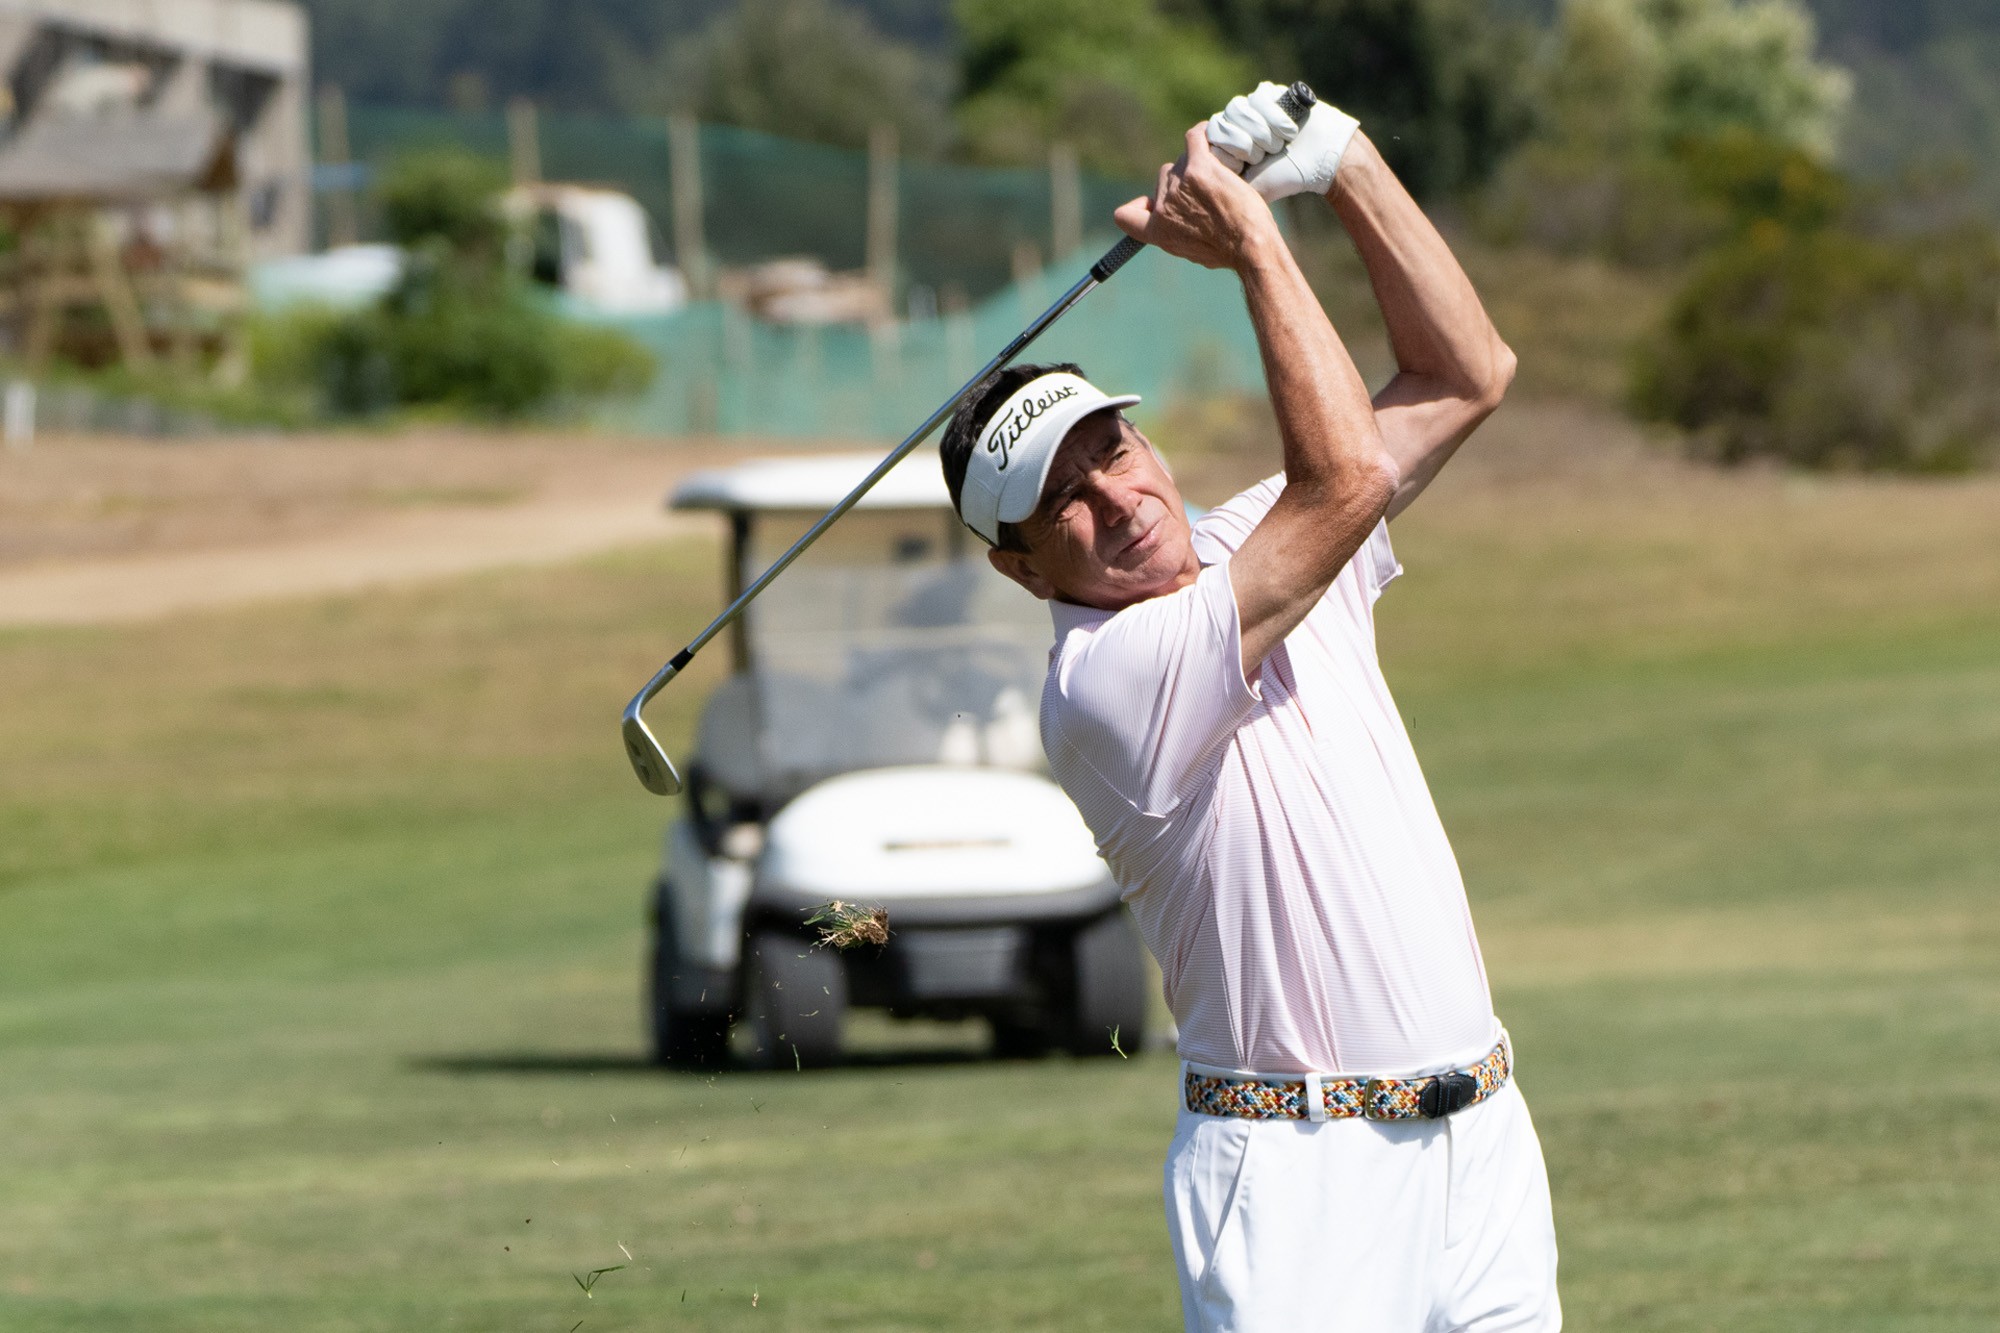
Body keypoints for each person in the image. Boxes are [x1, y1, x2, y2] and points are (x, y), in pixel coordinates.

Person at [935, 84, 1559, 1331]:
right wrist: (1252, 245)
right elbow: (1342, 481)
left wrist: (1339, 157)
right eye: (1060, 501)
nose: (1114, 500)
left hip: (1479, 1138)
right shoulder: (1103, 685)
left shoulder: (1251, 545)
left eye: (1111, 450)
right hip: (1297, 1182)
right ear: (1018, 568)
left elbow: (1464, 373)